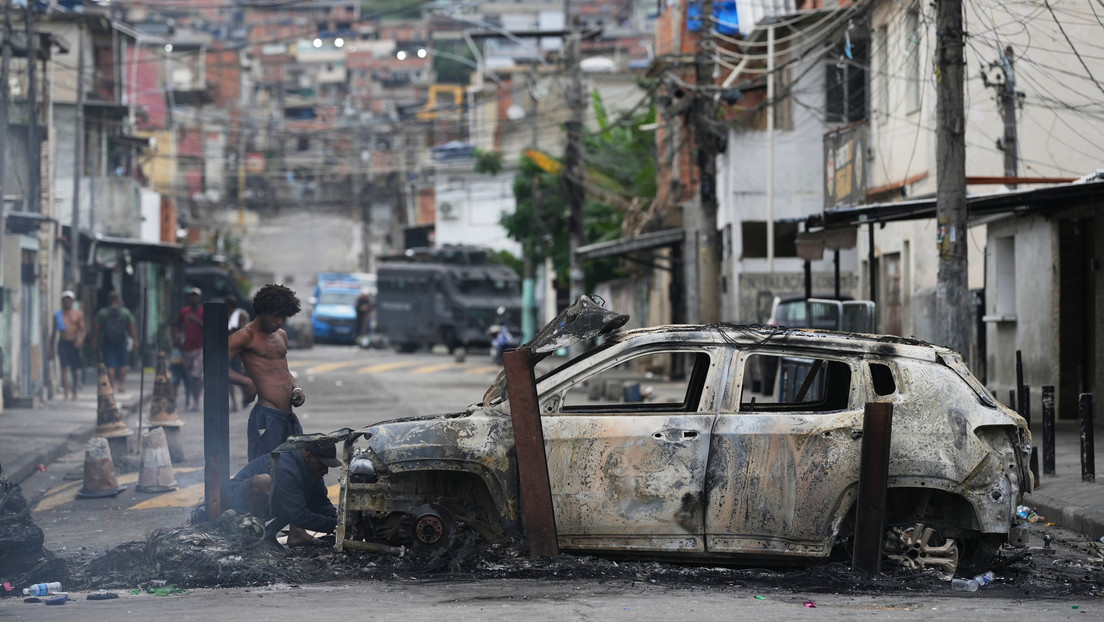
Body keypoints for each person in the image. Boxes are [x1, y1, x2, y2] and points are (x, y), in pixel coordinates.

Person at [228, 284, 306, 461]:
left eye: (283, 317)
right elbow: (214, 367)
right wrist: (246, 382)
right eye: (275, 316)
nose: (279, 321)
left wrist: (296, 389)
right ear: (262, 311)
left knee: (295, 467)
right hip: (267, 416)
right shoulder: (245, 336)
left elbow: (284, 370)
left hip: (288, 417)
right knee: (264, 471)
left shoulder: (281, 335)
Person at [227, 441, 340, 547]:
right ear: (307, 454)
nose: (326, 470)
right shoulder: (286, 467)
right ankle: (255, 537)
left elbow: (320, 503)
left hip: (272, 500)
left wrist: (340, 519)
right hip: (236, 502)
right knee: (264, 481)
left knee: (314, 492)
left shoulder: (310, 468)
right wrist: (336, 526)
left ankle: (276, 535)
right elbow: (298, 515)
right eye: (322, 464)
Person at [91, 291, 138, 393]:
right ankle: (121, 385)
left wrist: (94, 339)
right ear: (118, 300)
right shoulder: (125, 312)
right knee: (123, 364)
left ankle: (111, 386)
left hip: (108, 341)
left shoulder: (103, 312)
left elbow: (96, 326)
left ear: (109, 300)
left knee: (110, 365)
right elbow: (132, 326)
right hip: (122, 341)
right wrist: (135, 340)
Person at [50, 290, 86, 400]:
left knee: (75, 370)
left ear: (72, 301)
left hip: (73, 343)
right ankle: (66, 393)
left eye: (69, 299)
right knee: (63, 367)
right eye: (65, 299)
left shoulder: (77, 314)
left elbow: (83, 330)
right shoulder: (58, 315)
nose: (67, 302)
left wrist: (80, 341)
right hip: (63, 343)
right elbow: (53, 333)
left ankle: (74, 389)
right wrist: (50, 348)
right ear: (63, 301)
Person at [176, 287, 205, 411]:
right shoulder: (184, 311)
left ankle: (196, 400)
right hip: (186, 349)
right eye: (191, 296)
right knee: (187, 377)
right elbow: (176, 326)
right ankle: (189, 399)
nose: (193, 298)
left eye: (195, 296)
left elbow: (208, 328)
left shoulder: (203, 311)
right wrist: (177, 339)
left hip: (199, 348)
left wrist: (196, 321)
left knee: (196, 376)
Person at [227, 295, 251, 411]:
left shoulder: (240, 314)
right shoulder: (228, 316)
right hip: (230, 349)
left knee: (238, 375)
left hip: (239, 350)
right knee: (229, 376)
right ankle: (234, 403)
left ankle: (245, 397)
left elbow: (241, 331)